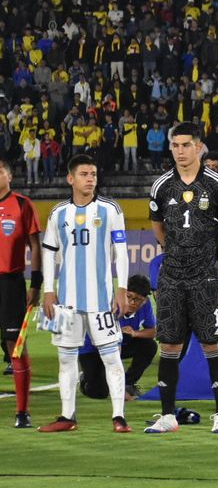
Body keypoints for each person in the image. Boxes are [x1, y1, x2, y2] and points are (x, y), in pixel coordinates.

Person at [144, 122, 218, 434]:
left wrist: (214, 258)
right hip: (171, 278)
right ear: (170, 148)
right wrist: (172, 251)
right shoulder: (161, 186)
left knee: (213, 344)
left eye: (187, 145)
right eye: (176, 145)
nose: (181, 151)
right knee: (169, 347)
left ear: (198, 147)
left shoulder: (217, 186)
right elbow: (158, 227)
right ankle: (168, 416)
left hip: (205, 280)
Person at [36, 154, 131, 433]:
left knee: (111, 357)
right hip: (65, 302)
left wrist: (121, 288)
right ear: (70, 179)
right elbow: (49, 253)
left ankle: (119, 417)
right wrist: (48, 291)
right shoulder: (58, 213)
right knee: (65, 359)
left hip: (101, 300)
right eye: (85, 174)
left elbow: (121, 253)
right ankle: (67, 416)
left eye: (93, 174)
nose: (91, 179)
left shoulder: (111, 209)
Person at [0, 159, 42, 428]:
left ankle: (22, 411)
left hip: (10, 283)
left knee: (14, 347)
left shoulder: (23, 204)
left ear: (10, 176)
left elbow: (35, 246)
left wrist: (35, 283)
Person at [78, 274, 157, 401]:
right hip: (94, 348)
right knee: (99, 392)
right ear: (123, 293)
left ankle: (127, 383)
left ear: (145, 300)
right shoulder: (110, 304)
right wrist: (117, 331)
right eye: (129, 297)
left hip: (121, 344)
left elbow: (154, 331)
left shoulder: (146, 306)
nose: (132, 303)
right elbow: (97, 334)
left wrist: (135, 333)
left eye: (138, 300)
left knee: (149, 345)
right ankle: (84, 379)